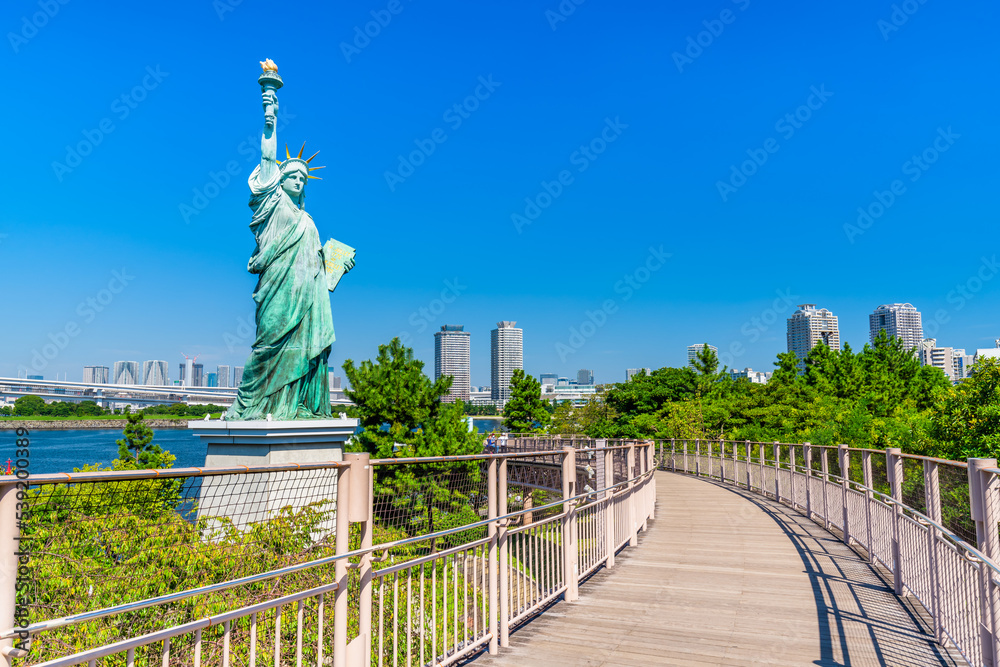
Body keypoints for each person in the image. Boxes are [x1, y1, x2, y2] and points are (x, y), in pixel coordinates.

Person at [226, 80, 351, 420]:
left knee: (307, 349)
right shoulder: (273, 202)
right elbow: (268, 154)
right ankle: (250, 406)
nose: (298, 181)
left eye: (303, 179)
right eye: (293, 175)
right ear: (279, 180)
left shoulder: (308, 219)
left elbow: (316, 261)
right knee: (268, 345)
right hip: (278, 288)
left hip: (308, 293)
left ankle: (298, 405)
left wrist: (336, 262)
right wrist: (271, 113)